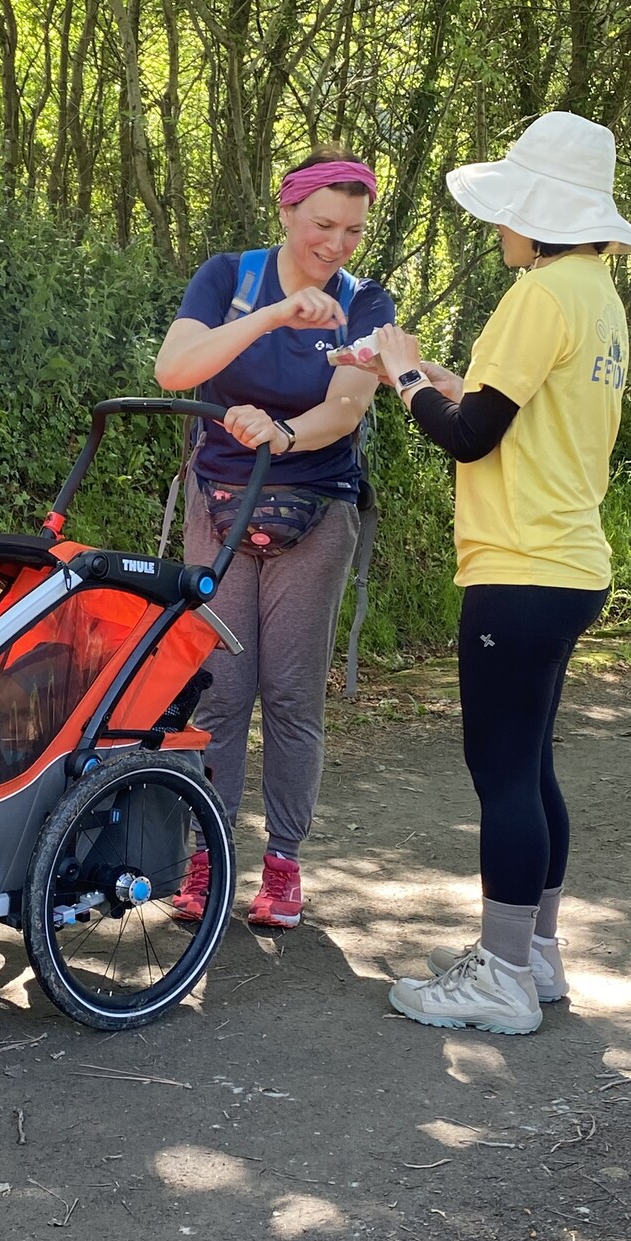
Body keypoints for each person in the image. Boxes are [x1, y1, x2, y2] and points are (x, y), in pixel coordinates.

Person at [375, 112, 631, 1033]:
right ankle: (538, 955)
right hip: (569, 562)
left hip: (519, 565)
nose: (499, 228)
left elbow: (472, 438)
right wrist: (434, 380)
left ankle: (501, 981)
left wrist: (405, 380)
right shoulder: (598, 295)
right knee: (534, 765)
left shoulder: (540, 294)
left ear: (540, 213)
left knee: (503, 773)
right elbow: (507, 410)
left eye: (509, 210)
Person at [154, 146, 395, 927]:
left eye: (353, 231)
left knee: (291, 696)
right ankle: (207, 853)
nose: (336, 243)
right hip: (217, 503)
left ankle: (284, 863)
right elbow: (175, 369)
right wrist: (277, 313)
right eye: (323, 223)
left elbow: (347, 408)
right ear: (287, 210)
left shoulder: (367, 303)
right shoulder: (229, 277)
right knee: (219, 690)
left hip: (314, 512)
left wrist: (279, 432)